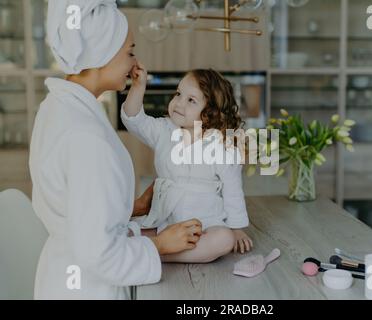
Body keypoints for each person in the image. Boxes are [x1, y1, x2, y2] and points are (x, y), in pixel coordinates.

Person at [29, 0, 201, 300]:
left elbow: (72, 202)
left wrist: (129, 208)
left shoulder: (57, 107)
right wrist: (159, 246)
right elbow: (99, 253)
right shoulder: (87, 137)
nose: (135, 65)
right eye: (130, 52)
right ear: (101, 54)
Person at [122, 66, 253, 263]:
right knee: (123, 230)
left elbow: (233, 190)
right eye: (178, 94)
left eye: (191, 100)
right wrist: (138, 87)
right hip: (165, 219)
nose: (178, 103)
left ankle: (157, 253)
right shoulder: (164, 129)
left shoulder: (223, 145)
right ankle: (159, 245)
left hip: (206, 223)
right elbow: (134, 120)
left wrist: (237, 229)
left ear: (211, 112)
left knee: (224, 239)